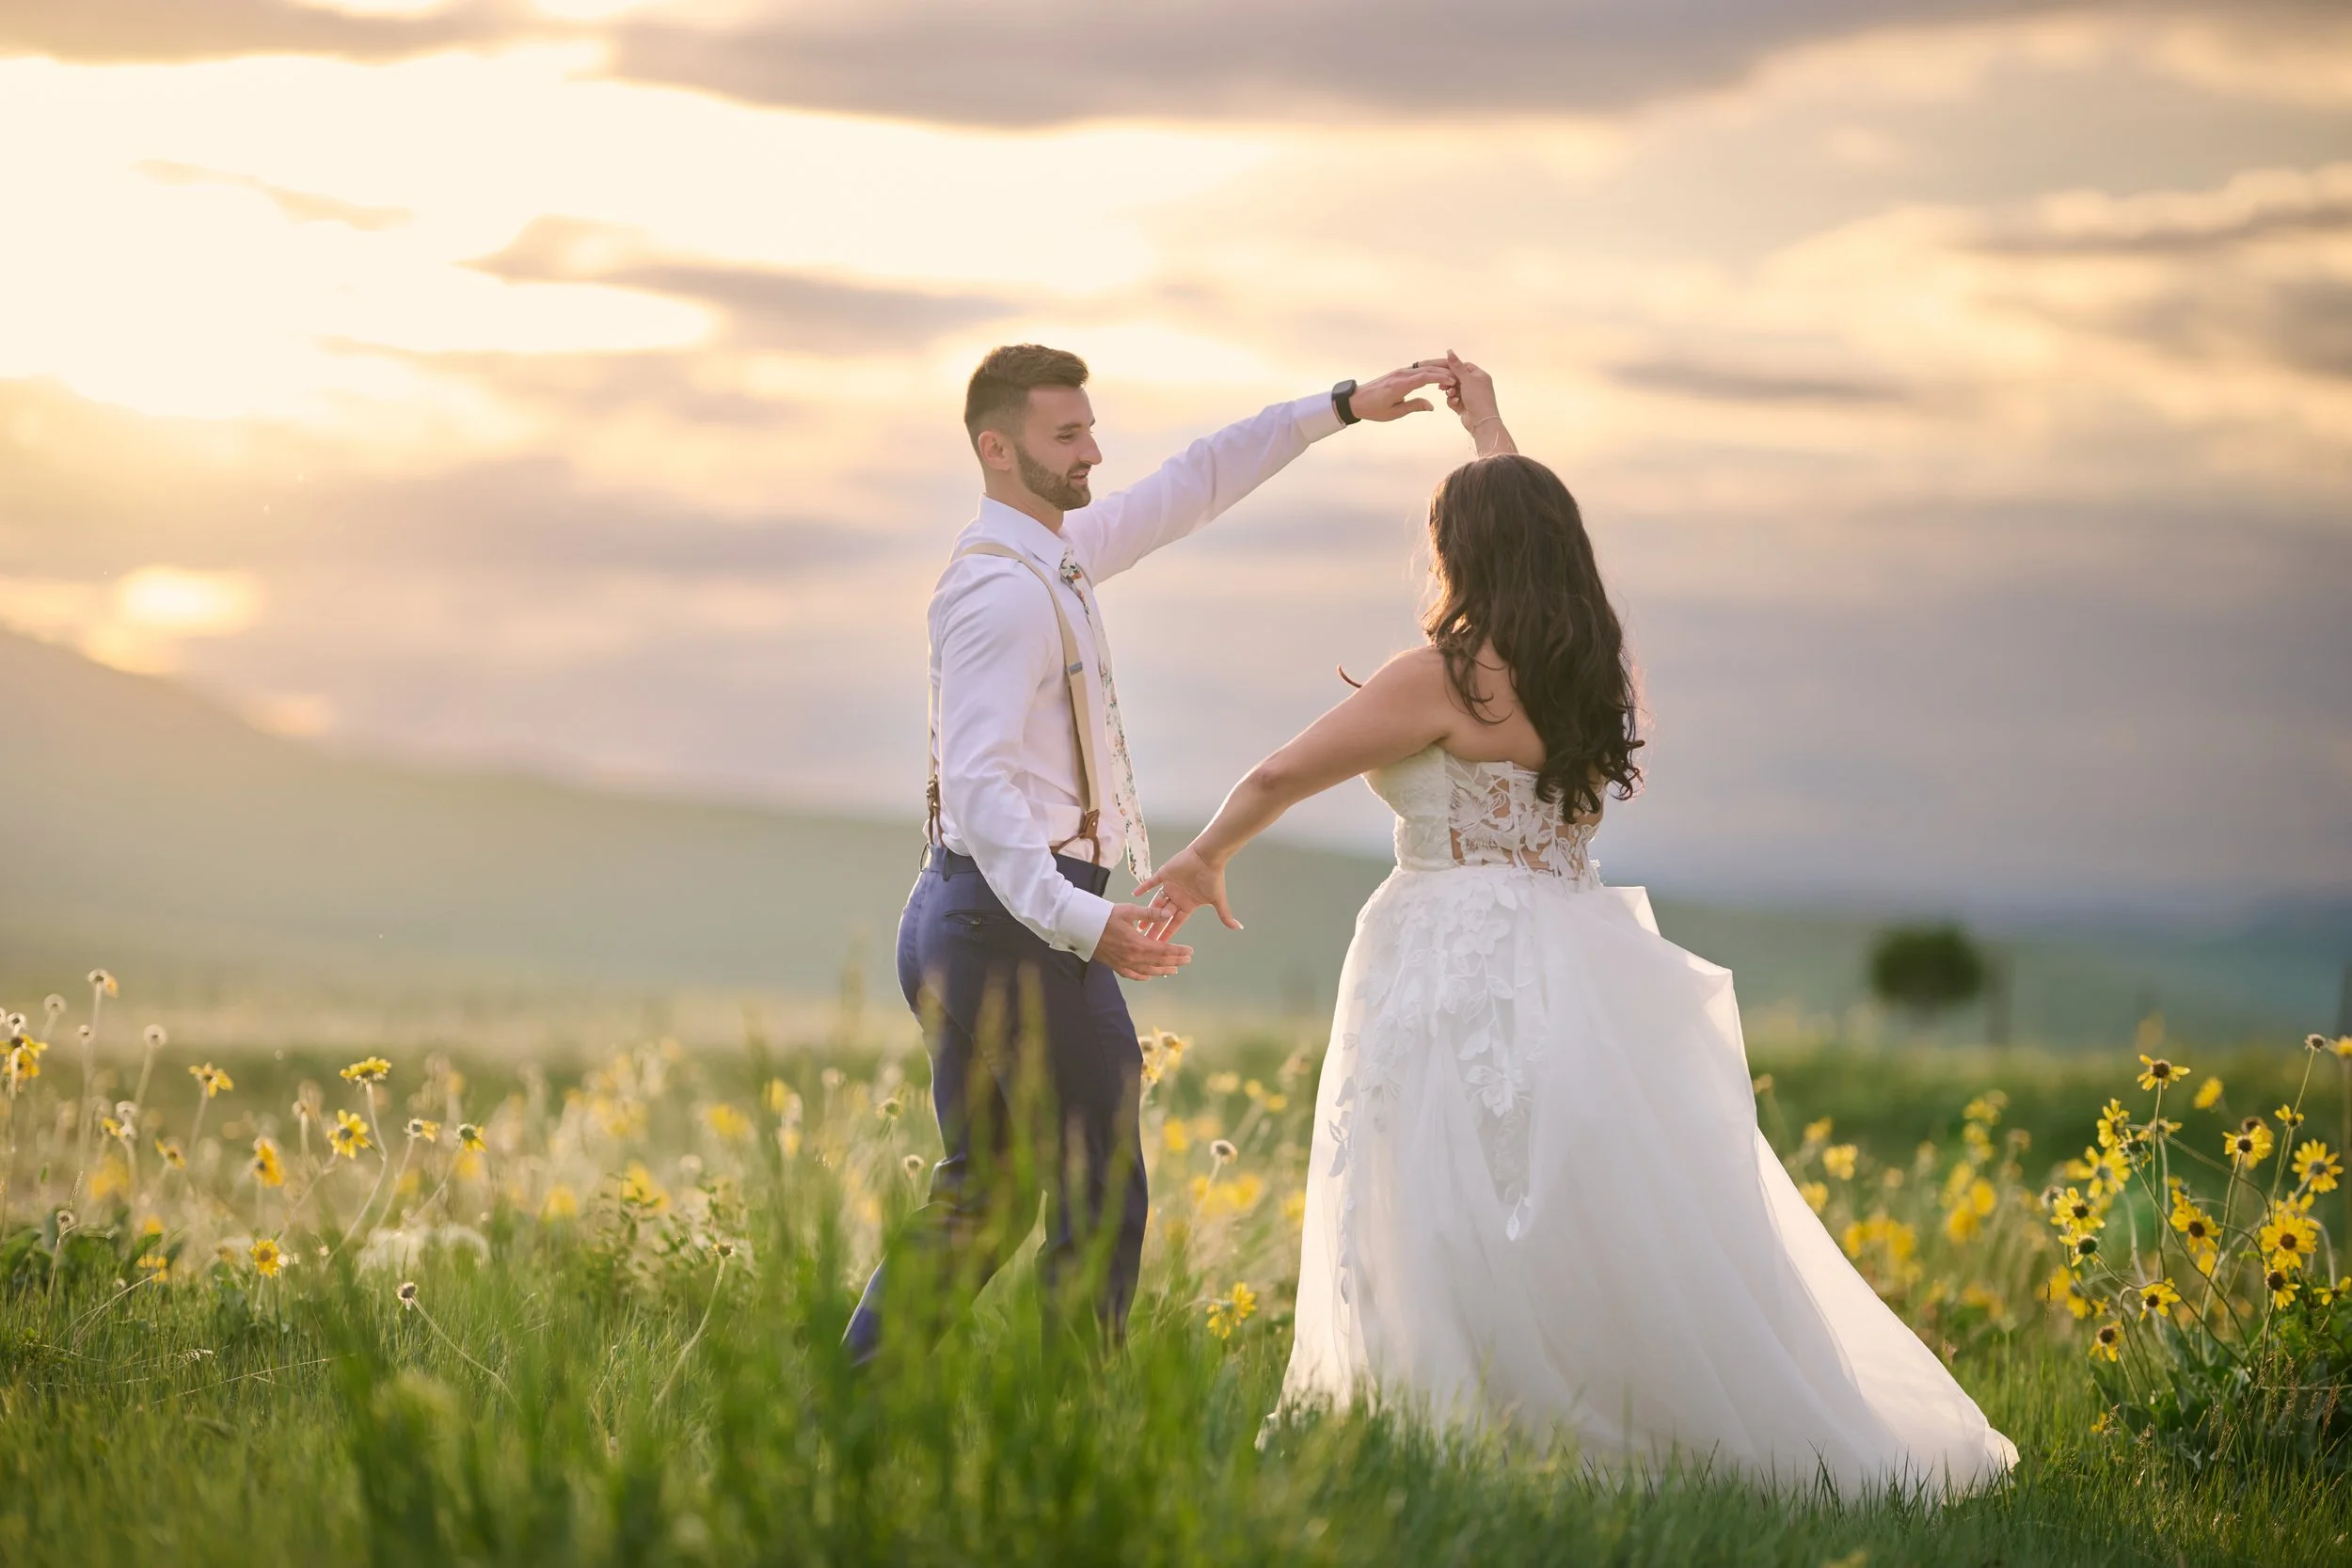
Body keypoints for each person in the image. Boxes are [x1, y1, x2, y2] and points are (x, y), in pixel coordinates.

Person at [1137, 353, 2019, 1494]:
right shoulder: (1582, 670)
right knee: (1572, 1192)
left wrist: (1207, 852)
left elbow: (1280, 770)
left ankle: (1456, 1420)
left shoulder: (1443, 677)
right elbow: (1526, 522)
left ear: (1465, 553)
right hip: (1572, 945)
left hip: (1451, 948)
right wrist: (1490, 429)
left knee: (1439, 1188)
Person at [844, 343, 1453, 1364]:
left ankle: (844, 1424)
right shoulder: (1001, 593)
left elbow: (1194, 480)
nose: (1092, 450)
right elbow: (985, 786)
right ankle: (1073, 1451)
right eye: (1065, 433)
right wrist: (1084, 921)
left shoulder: (1057, 551)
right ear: (997, 448)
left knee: (985, 1195)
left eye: (1088, 427)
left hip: (966, 915)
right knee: (1098, 1197)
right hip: (1010, 924)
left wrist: (1342, 406)